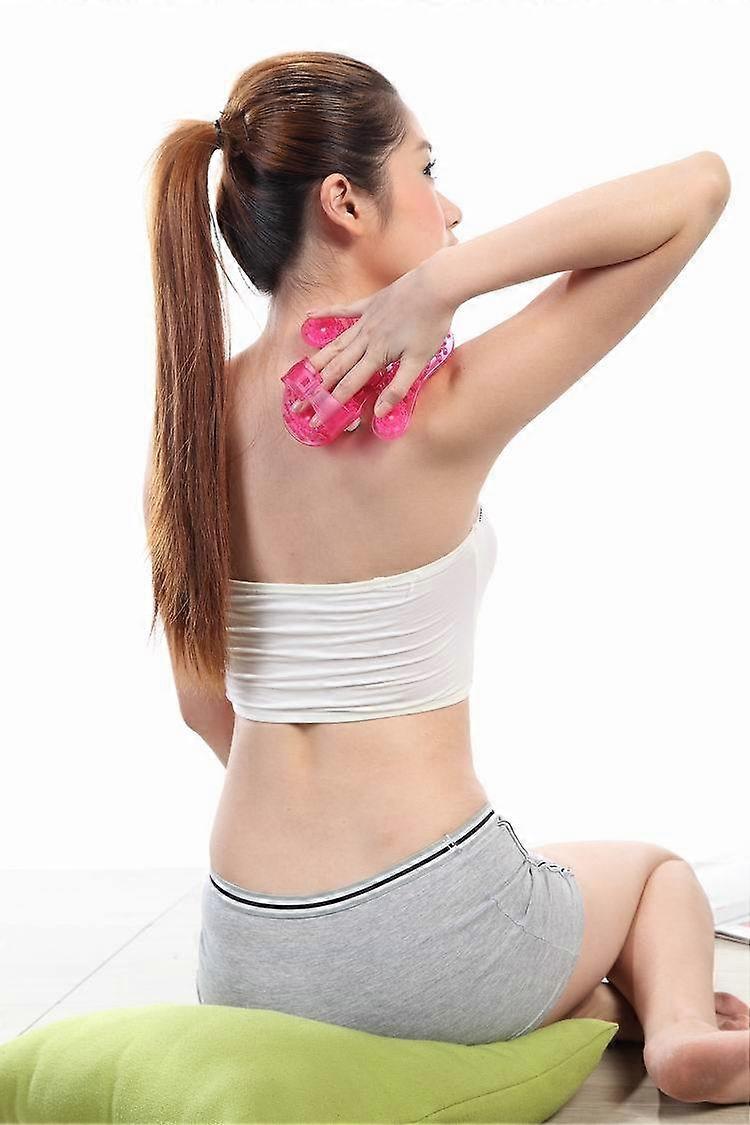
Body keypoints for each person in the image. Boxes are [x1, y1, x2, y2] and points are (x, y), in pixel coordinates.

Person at [143, 50, 748, 1104]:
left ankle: (597, 1004)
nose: (453, 205)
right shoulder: (432, 402)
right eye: (427, 169)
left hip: (245, 953)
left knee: (538, 918)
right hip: (435, 931)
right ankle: (682, 1035)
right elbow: (698, 187)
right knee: (656, 874)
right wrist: (439, 284)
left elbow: (203, 708)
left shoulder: (188, 428)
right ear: (345, 202)